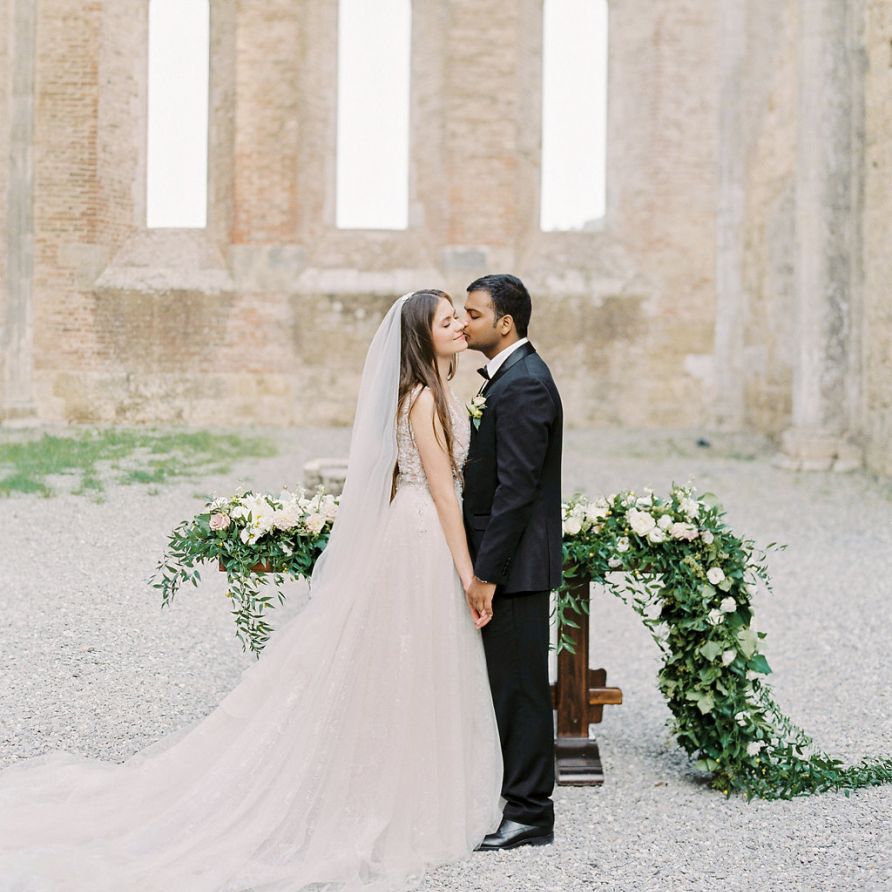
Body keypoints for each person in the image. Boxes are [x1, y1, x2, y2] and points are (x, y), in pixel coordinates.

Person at [0, 291, 503, 891]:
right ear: (422, 338)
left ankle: (414, 786)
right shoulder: (422, 399)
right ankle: (402, 800)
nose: (456, 327)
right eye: (446, 321)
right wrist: (471, 573)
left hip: (413, 530)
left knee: (413, 664)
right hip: (422, 536)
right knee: (411, 658)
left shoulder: (438, 392)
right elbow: (445, 492)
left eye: (457, 318)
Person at [462, 274, 563, 851]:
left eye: (473, 314)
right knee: (505, 686)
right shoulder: (510, 379)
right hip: (509, 564)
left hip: (514, 570)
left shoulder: (523, 385)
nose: (464, 323)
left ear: (505, 324)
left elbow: (516, 491)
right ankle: (512, 797)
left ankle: (530, 813)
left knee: (520, 690)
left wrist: (487, 574)